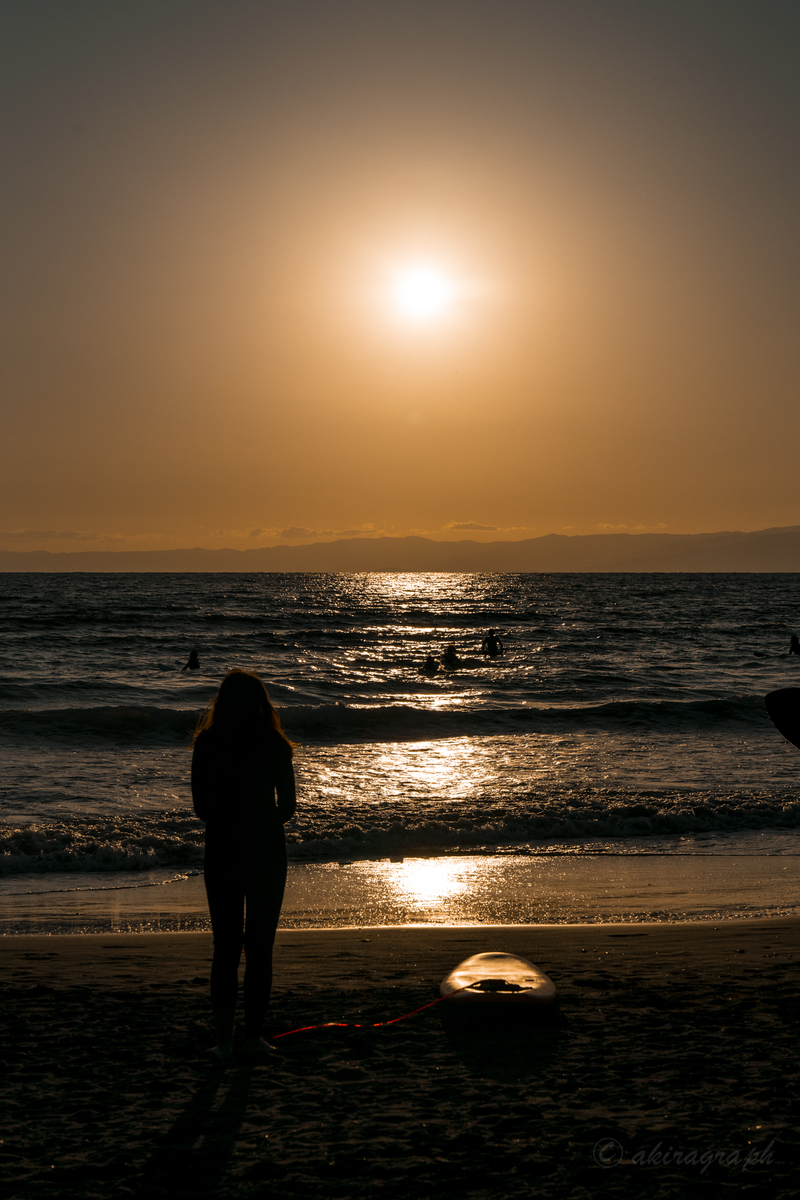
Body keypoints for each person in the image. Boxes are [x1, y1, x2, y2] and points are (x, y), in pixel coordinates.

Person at [191, 670, 297, 1059]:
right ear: (259, 703)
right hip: (267, 847)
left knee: (226, 947)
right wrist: (260, 819)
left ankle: (223, 1041)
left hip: (222, 845)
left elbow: (201, 806)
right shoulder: (274, 744)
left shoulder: (208, 742)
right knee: (260, 948)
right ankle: (253, 1040)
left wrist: (229, 818)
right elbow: (287, 807)